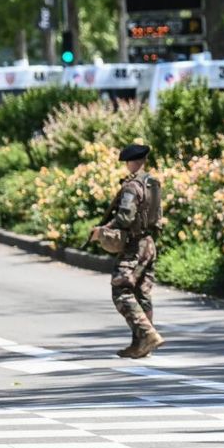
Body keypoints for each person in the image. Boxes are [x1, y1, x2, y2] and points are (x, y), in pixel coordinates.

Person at [91, 144, 164, 359]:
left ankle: (148, 335)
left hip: (135, 245)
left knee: (121, 289)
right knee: (142, 293)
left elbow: (125, 218)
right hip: (149, 243)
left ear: (130, 162)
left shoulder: (132, 186)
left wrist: (104, 230)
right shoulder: (153, 182)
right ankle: (140, 345)